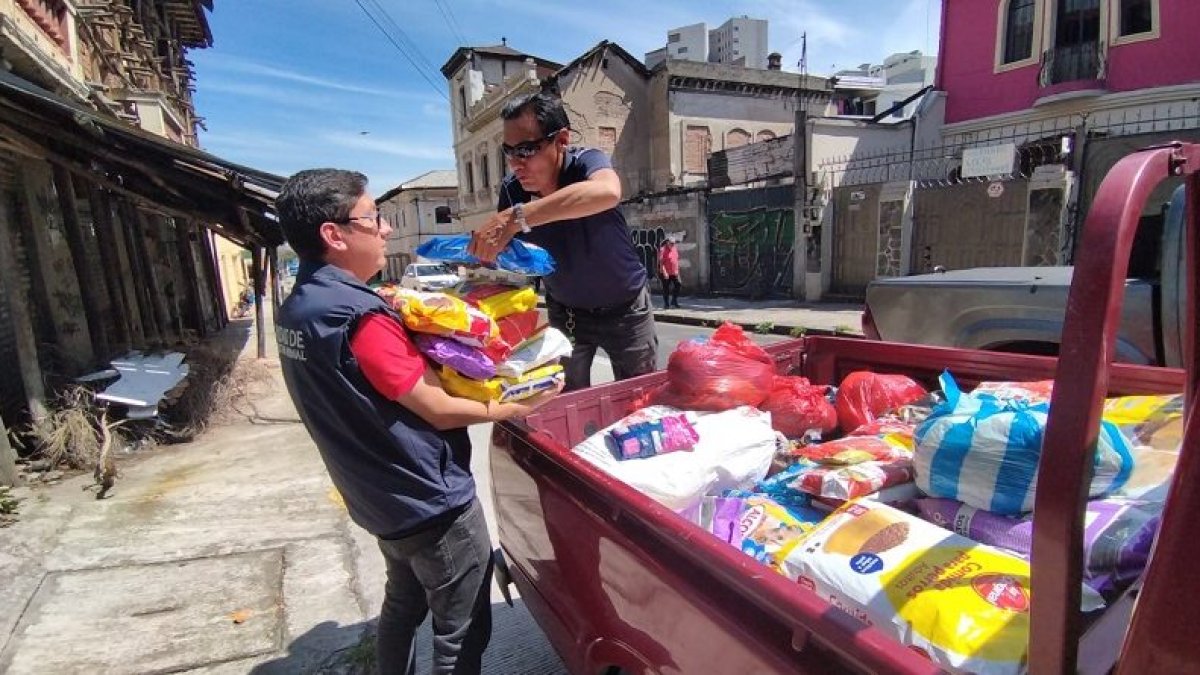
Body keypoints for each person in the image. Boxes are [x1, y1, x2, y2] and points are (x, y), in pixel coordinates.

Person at [273, 169, 561, 674]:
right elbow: (436, 407)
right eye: (373, 218)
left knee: (404, 604)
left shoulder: (299, 308)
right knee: (462, 630)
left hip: (375, 495)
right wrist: (517, 407)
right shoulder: (358, 315)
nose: (386, 229)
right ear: (333, 234)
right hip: (427, 501)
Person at [468, 91, 658, 392]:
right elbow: (508, 251)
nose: (516, 164)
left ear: (562, 140)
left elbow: (607, 192)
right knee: (564, 398)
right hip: (566, 313)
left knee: (639, 399)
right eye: (509, 151)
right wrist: (482, 255)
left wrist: (519, 217)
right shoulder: (512, 191)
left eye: (526, 150)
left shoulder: (585, 163)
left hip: (627, 309)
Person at [657, 238, 682, 309]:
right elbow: (661, 262)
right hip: (666, 272)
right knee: (666, 288)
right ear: (667, 242)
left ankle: (674, 301)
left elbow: (676, 260)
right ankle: (666, 304)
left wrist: (677, 270)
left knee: (678, 284)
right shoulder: (663, 250)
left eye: (674, 243)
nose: (673, 244)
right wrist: (664, 272)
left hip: (674, 272)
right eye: (671, 243)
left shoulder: (674, 248)